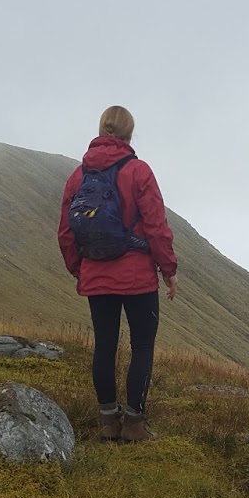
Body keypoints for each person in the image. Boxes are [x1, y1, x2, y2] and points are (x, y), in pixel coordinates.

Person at [58, 106, 178, 443]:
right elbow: (156, 226)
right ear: (129, 134)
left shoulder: (78, 177)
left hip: (97, 275)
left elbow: (66, 232)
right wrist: (168, 270)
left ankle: (108, 422)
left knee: (104, 346)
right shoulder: (139, 171)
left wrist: (80, 269)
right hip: (138, 277)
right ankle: (135, 424)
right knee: (142, 346)